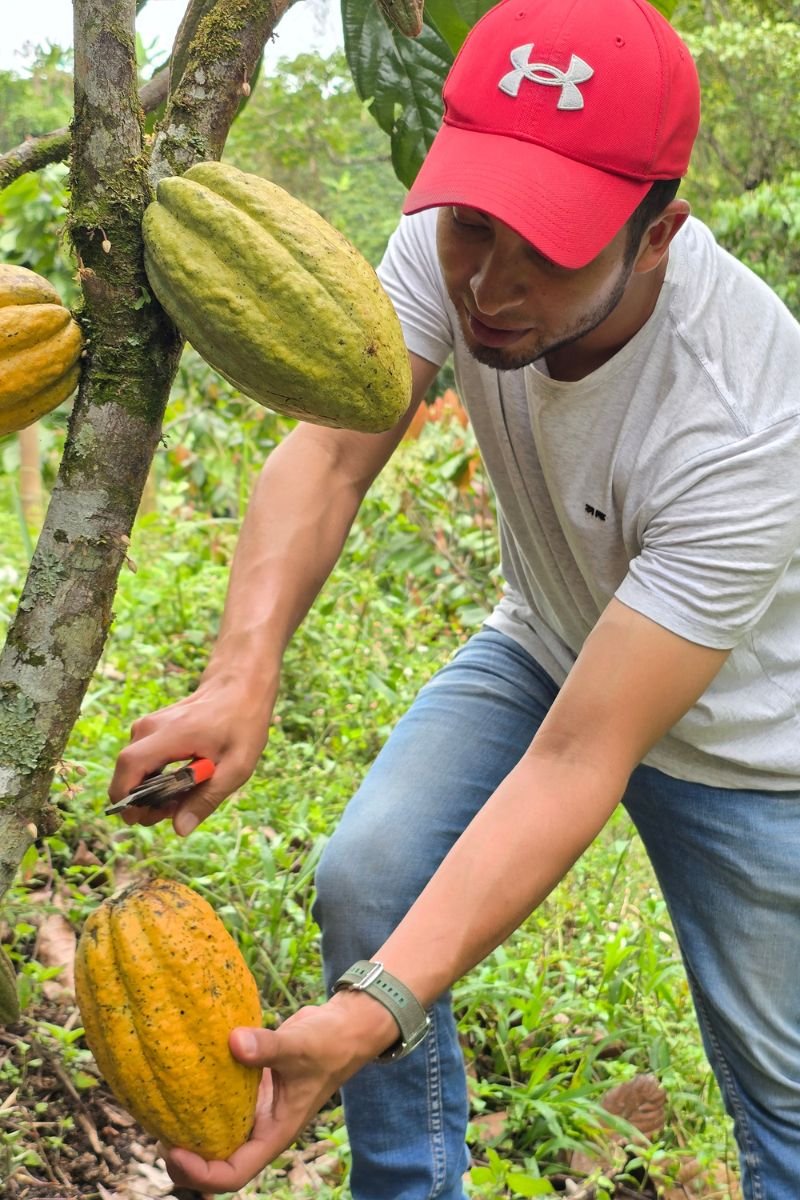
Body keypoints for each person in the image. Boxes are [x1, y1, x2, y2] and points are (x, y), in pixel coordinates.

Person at [110, 0, 800, 1196]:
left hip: (752, 745)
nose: (489, 282)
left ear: (655, 234)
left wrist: (376, 1005)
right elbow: (332, 449)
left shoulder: (744, 421)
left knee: (783, 1093)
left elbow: (580, 759)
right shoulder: (450, 246)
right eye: (475, 224)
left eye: (553, 243)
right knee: (367, 875)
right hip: (547, 637)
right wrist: (240, 673)